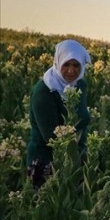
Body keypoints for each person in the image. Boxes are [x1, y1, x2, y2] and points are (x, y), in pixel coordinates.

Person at [26, 39, 92, 188]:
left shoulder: (79, 85)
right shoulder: (44, 92)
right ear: (58, 62)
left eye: (76, 65)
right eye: (66, 64)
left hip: (75, 160)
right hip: (46, 162)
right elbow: (52, 137)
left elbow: (80, 120)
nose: (71, 71)